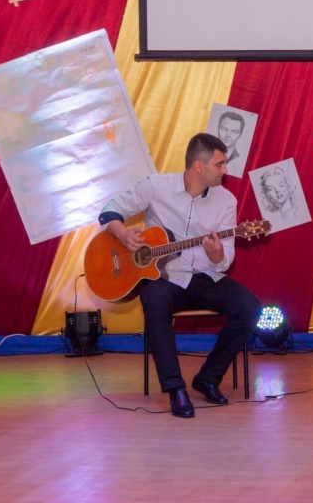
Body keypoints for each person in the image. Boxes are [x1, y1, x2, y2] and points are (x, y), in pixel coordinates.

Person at [98, 133, 262, 418]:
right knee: (154, 301)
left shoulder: (227, 201)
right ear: (198, 166)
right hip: (165, 278)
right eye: (220, 164)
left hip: (205, 277)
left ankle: (208, 378)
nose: (225, 170)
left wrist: (217, 256)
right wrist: (123, 234)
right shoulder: (155, 186)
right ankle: (175, 389)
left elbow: (226, 258)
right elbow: (108, 211)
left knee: (250, 308)